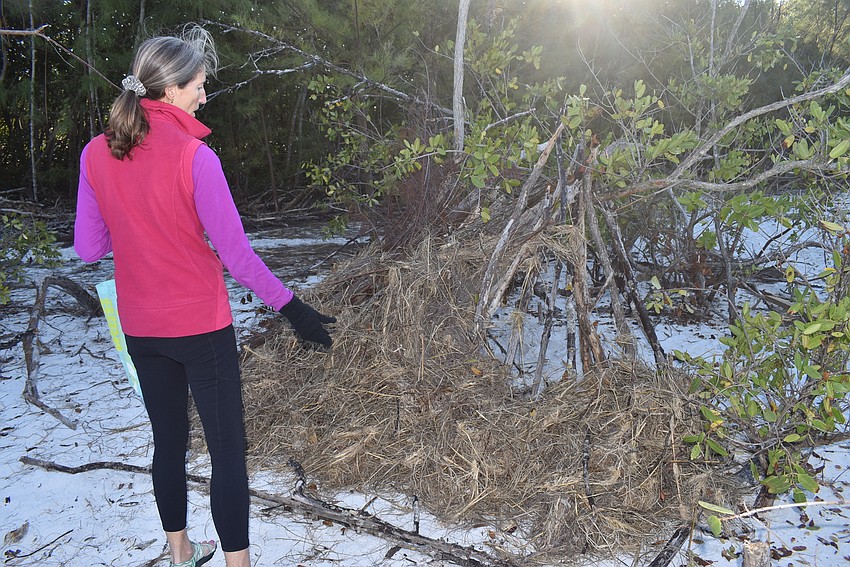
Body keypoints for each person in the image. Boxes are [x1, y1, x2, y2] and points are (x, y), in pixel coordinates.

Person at [73, 24, 335, 567]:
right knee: (226, 453)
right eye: (199, 84)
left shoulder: (96, 153)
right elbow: (238, 258)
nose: (205, 94)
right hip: (201, 328)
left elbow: (87, 249)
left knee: (167, 443)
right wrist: (295, 309)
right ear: (170, 92)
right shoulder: (196, 158)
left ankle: (180, 552)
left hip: (141, 330)